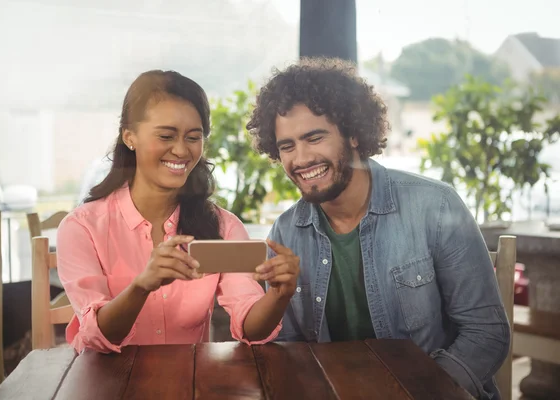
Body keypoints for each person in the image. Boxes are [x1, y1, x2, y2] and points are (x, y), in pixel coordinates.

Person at [246, 58, 510, 399]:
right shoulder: (286, 232)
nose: (301, 159)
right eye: (287, 146)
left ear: (354, 133)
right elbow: (291, 346)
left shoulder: (435, 206)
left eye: (314, 138)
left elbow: (485, 333)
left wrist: (421, 391)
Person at [57, 70, 299, 354]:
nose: (181, 150)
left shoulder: (223, 227)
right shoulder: (82, 228)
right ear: (129, 136)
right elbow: (97, 337)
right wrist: (141, 287)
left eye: (193, 137)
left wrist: (280, 297)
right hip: (105, 384)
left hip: (190, 383)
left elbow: (250, 326)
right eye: (166, 135)